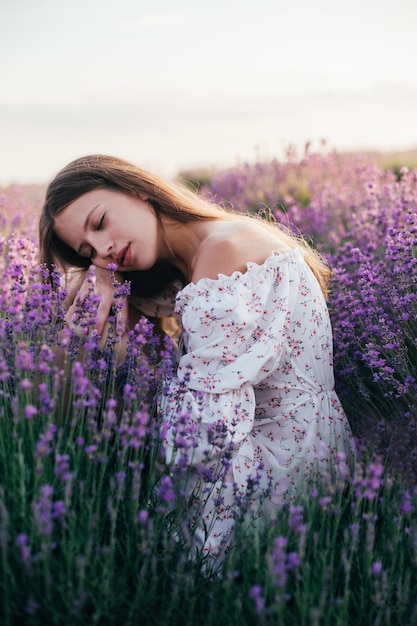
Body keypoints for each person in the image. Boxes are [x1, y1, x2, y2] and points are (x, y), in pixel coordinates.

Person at [39, 154, 357, 563]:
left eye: (100, 222)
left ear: (136, 189)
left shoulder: (223, 253)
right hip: (303, 450)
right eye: (88, 250)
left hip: (285, 467)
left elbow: (205, 433)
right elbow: (110, 379)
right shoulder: (189, 262)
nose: (104, 250)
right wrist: (101, 299)